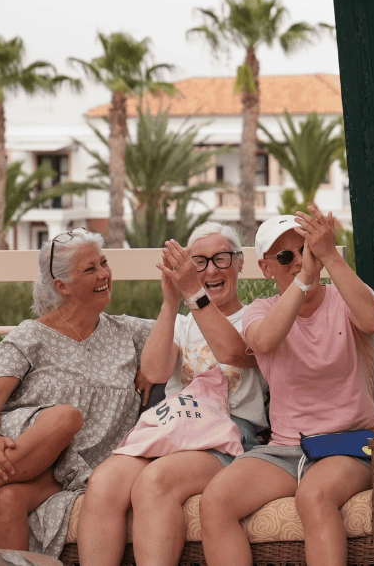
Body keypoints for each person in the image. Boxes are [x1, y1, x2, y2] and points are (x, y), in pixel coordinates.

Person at [200, 204, 374, 566]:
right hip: (288, 449)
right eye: (286, 257)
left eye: (307, 250)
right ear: (266, 268)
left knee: (313, 496)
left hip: (352, 440)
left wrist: (330, 255)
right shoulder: (259, 310)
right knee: (216, 501)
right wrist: (302, 283)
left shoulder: (343, 296)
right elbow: (265, 341)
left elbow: (373, 319)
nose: (301, 261)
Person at [77, 222, 268, 566]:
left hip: (228, 435)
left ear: (240, 263)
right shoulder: (183, 323)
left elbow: (232, 353)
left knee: (154, 481)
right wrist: (170, 302)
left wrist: (195, 293)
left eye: (221, 259)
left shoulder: (258, 318)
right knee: (104, 483)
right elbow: (153, 372)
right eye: (199, 262)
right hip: (172, 427)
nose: (210, 270)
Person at [0, 229, 157, 556]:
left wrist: (153, 364)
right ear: (62, 286)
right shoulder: (30, 336)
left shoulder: (130, 332)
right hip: (25, 445)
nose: (104, 274)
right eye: (90, 269)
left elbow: (182, 337)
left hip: (76, 467)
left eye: (104, 263)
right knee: (65, 416)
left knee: (9, 500)